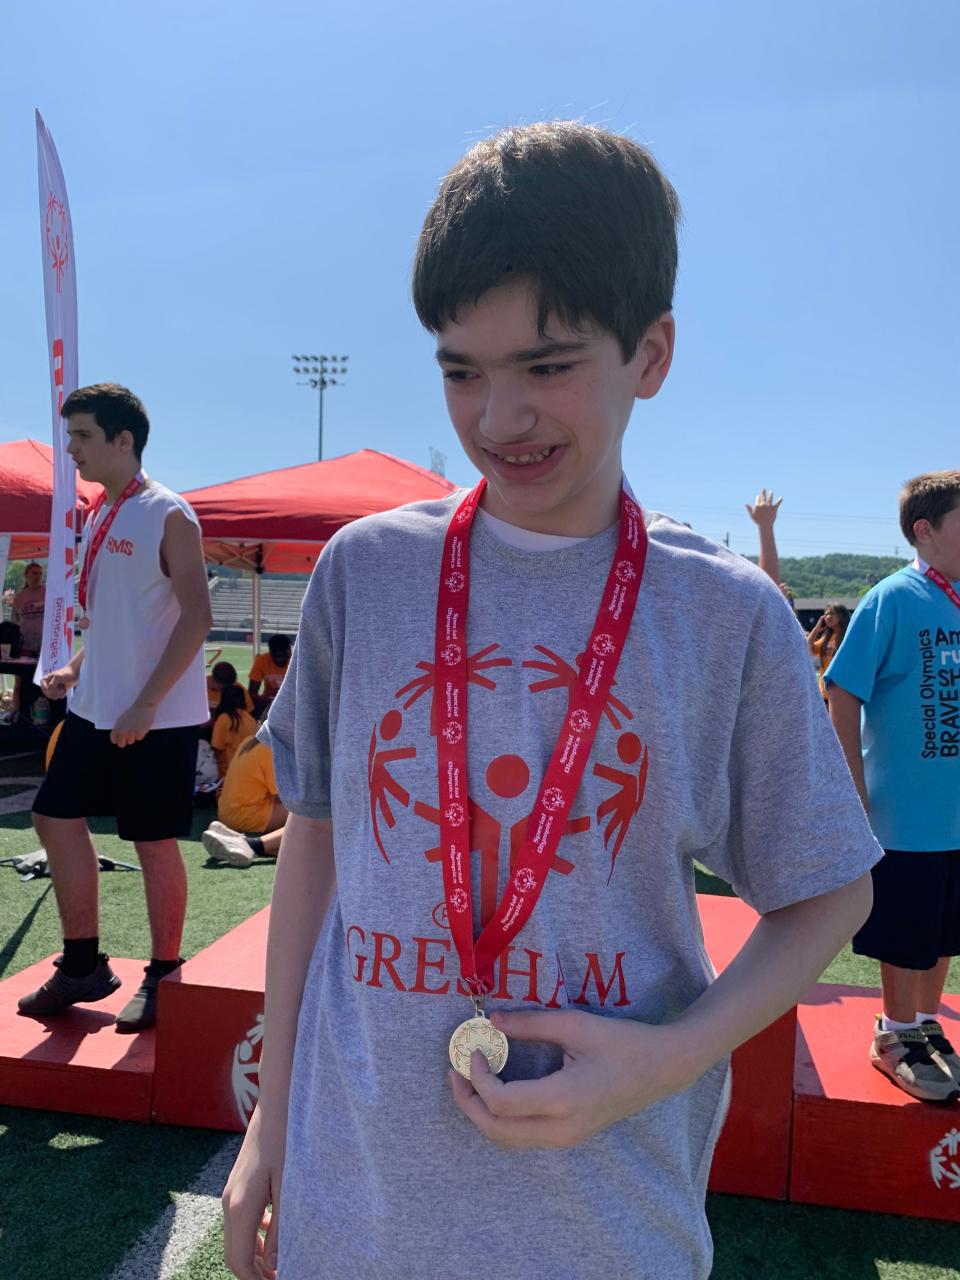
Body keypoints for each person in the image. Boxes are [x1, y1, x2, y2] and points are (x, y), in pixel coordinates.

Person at [222, 123, 879, 1280]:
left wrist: (666, 1057)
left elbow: (830, 893)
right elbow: (313, 841)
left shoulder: (723, 613)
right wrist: (274, 1119)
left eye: (548, 363)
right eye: (460, 369)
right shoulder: (365, 572)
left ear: (653, 352)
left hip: (602, 1221)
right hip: (355, 1200)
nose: (498, 417)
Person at [19, 383, 212, 1033]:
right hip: (95, 708)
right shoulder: (100, 512)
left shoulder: (169, 513)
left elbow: (198, 616)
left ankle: (163, 977)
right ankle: (83, 967)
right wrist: (74, 669)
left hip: (155, 718)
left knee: (153, 843)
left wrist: (147, 703)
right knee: (53, 818)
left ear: (122, 440)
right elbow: (116, 622)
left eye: (81, 436)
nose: (69, 449)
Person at [826, 470, 960, 1103]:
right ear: (925, 531)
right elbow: (843, 688)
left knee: (943, 930)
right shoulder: (894, 599)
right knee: (905, 926)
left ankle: (926, 1028)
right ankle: (894, 1032)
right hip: (903, 811)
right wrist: (852, 782)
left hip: (955, 812)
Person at [202, 737, 287, 868]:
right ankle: (250, 845)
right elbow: (283, 797)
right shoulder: (271, 749)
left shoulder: (249, 740)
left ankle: (237, 839)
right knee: (307, 815)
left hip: (228, 814)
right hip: (247, 815)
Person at [211, 683, 259, 776]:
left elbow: (217, 748)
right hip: (248, 769)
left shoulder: (224, 719)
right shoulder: (249, 718)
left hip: (228, 772)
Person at [807, 603, 850, 701]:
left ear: (841, 616)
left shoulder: (849, 636)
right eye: (826, 615)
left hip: (842, 692)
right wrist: (817, 628)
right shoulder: (826, 638)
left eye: (832, 613)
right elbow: (807, 645)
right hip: (824, 693)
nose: (828, 617)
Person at [248, 634, 291, 717]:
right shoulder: (262, 660)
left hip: (291, 703)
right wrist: (265, 698)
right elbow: (252, 693)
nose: (279, 660)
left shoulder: (297, 662)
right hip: (269, 702)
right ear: (270, 652)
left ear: (289, 651)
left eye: (282, 656)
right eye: (276, 657)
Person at [11, 562, 45, 658]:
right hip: (25, 643)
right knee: (22, 671)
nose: (38, 576)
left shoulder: (48, 593)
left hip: (44, 642)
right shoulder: (19, 596)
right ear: (26, 575)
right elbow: (14, 621)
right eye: (34, 573)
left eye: (40, 573)